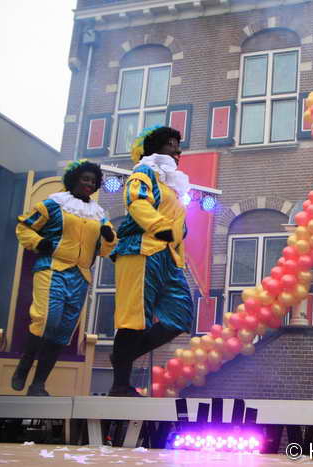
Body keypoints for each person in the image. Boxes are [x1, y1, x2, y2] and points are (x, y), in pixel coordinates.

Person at [13, 160, 116, 396]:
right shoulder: (54, 204)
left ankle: (38, 384)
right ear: (74, 179)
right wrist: (39, 242)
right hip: (53, 268)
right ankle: (24, 365)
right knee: (48, 319)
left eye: (93, 181)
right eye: (85, 178)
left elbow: (104, 250)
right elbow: (24, 227)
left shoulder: (99, 214)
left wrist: (109, 238)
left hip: (80, 276)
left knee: (63, 331)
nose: (89, 183)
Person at [108, 126, 194, 397]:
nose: (178, 150)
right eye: (171, 144)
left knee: (180, 316)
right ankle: (120, 384)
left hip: (168, 257)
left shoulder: (172, 186)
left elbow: (178, 224)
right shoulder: (143, 172)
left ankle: (122, 356)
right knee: (134, 318)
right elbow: (136, 202)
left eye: (178, 145)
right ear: (156, 147)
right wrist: (159, 226)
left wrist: (177, 238)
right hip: (141, 249)